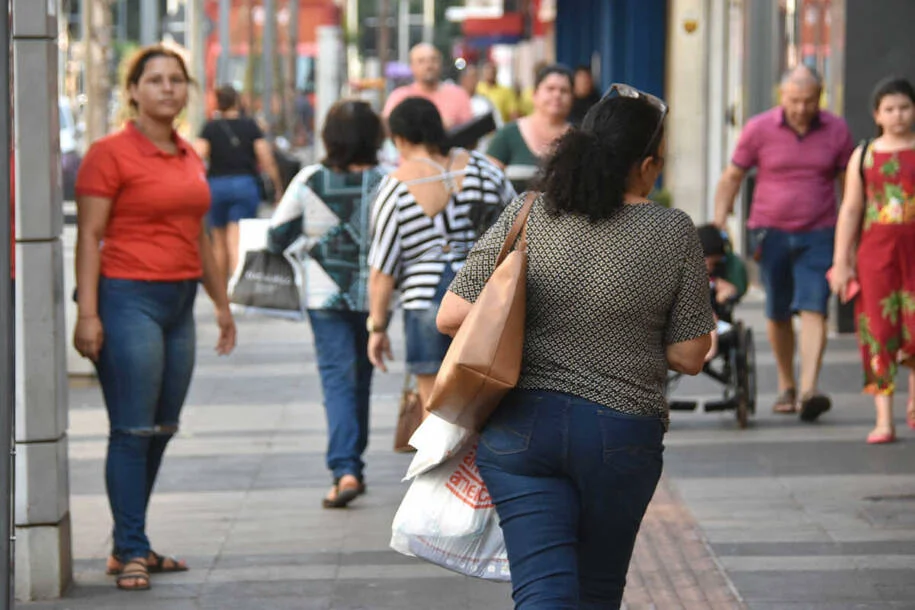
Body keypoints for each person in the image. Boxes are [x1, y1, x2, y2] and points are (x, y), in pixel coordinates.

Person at [437, 85, 714, 609]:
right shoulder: (673, 231)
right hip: (621, 433)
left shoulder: (530, 212)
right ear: (647, 165)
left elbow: (452, 314)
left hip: (521, 430)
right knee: (598, 591)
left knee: (544, 592)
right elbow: (688, 355)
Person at [73, 45, 237, 591]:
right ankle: (132, 548)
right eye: (156, 80)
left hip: (179, 303)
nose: (168, 88)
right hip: (127, 299)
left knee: (161, 429)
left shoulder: (189, 154)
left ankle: (129, 541)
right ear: (134, 91)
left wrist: (221, 304)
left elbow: (199, 234)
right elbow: (90, 237)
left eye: (177, 80)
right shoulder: (109, 153)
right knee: (132, 429)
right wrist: (89, 314)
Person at [714, 64, 854, 421]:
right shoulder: (759, 128)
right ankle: (787, 384)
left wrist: (851, 237)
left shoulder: (836, 130)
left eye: (809, 101)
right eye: (794, 100)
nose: (802, 108)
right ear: (782, 96)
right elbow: (732, 176)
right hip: (770, 232)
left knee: (814, 307)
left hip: (820, 231)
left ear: (820, 96)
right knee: (777, 311)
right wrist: (718, 222)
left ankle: (809, 389)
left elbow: (849, 186)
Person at [266, 100, 386, 506]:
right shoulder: (387, 182)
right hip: (375, 298)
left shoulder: (310, 180)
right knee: (362, 379)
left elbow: (276, 237)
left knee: (338, 379)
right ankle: (353, 461)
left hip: (324, 295)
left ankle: (346, 468)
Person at [367, 97, 516, 412]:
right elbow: (519, 226)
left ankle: (443, 463)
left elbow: (383, 268)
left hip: (425, 303)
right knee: (488, 402)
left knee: (435, 410)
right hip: (485, 295)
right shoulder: (484, 170)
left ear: (401, 139)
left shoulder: (395, 186)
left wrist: (377, 327)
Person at [830, 77, 915, 444]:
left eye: (905, 107)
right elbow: (850, 209)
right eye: (890, 109)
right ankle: (884, 420)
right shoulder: (863, 154)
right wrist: (842, 260)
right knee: (878, 332)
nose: (898, 115)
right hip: (876, 257)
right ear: (877, 115)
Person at [195, 85, 282, 281]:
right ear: (237, 101)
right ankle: (236, 288)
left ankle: (220, 291)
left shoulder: (209, 127)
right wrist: (277, 187)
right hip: (245, 185)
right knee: (236, 240)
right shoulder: (250, 126)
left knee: (218, 241)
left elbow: (197, 156)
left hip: (216, 186)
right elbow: (266, 157)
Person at [486, 65, 573, 171]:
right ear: (534, 94)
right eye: (550, 89)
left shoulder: (579, 139)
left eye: (564, 91)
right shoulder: (507, 135)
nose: (557, 95)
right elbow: (488, 180)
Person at [382, 43, 473, 130]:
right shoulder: (399, 97)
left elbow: (471, 137)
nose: (428, 66)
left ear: (441, 63)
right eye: (421, 61)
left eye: (433, 60)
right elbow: (387, 128)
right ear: (412, 66)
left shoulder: (458, 95)